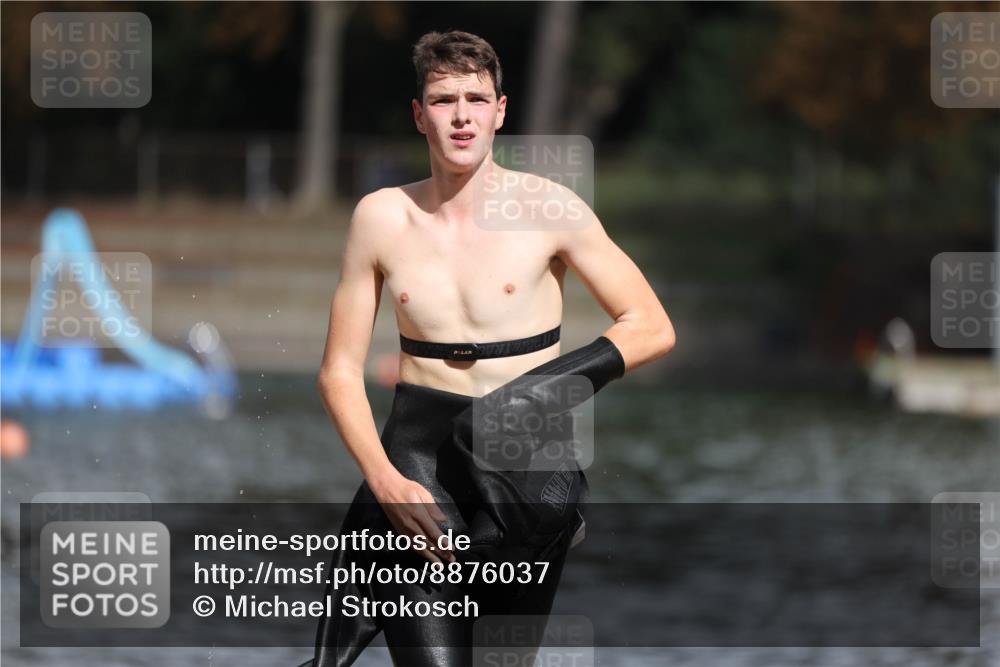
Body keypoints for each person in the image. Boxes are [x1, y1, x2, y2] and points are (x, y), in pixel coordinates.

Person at [307, 30, 675, 667]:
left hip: (523, 470)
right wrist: (384, 480)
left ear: (500, 111)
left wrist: (537, 395)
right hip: (418, 464)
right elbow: (339, 370)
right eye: (443, 100)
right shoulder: (380, 217)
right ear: (419, 114)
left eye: (476, 99)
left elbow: (651, 325)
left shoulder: (551, 208)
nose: (461, 116)